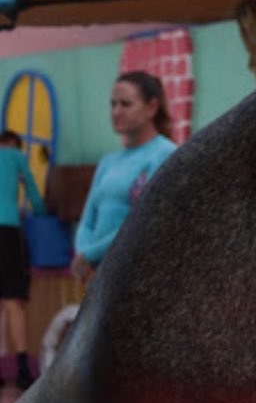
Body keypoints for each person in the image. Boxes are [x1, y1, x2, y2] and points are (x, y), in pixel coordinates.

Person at [70, 71, 177, 284]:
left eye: (126, 104)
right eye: (113, 104)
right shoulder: (108, 162)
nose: (116, 111)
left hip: (138, 276)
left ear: (152, 107)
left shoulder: (165, 155)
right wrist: (83, 257)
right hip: (98, 278)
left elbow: (144, 222)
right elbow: (88, 220)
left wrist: (91, 256)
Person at [0, 129, 45, 389]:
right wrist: (41, 210)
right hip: (7, 232)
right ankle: (22, 368)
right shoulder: (16, 156)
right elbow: (32, 189)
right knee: (13, 300)